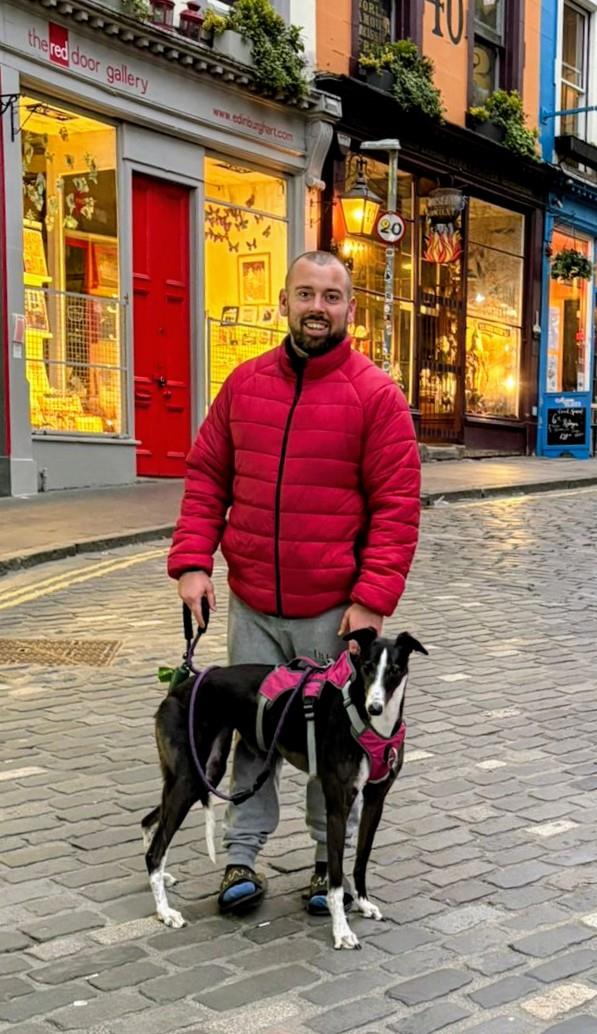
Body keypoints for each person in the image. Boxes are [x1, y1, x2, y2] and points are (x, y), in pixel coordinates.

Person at [168, 250, 421, 915]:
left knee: (330, 745)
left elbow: (396, 507)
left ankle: (324, 867)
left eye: (330, 297)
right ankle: (241, 858)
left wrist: (371, 600)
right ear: (282, 302)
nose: (317, 308)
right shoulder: (244, 384)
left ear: (350, 309)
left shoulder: (376, 396)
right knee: (251, 736)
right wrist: (193, 561)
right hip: (252, 603)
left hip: (332, 612)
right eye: (305, 294)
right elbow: (206, 477)